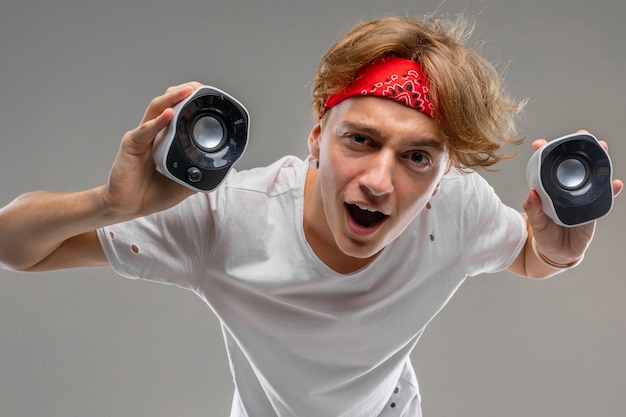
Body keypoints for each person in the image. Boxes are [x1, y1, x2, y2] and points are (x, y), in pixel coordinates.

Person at [0, 14, 622, 417]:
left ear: (441, 172)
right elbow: (14, 244)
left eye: (416, 157)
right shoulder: (227, 218)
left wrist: (554, 254)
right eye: (360, 141)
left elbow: (526, 255)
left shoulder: (453, 207)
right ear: (317, 136)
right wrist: (109, 205)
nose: (380, 181)